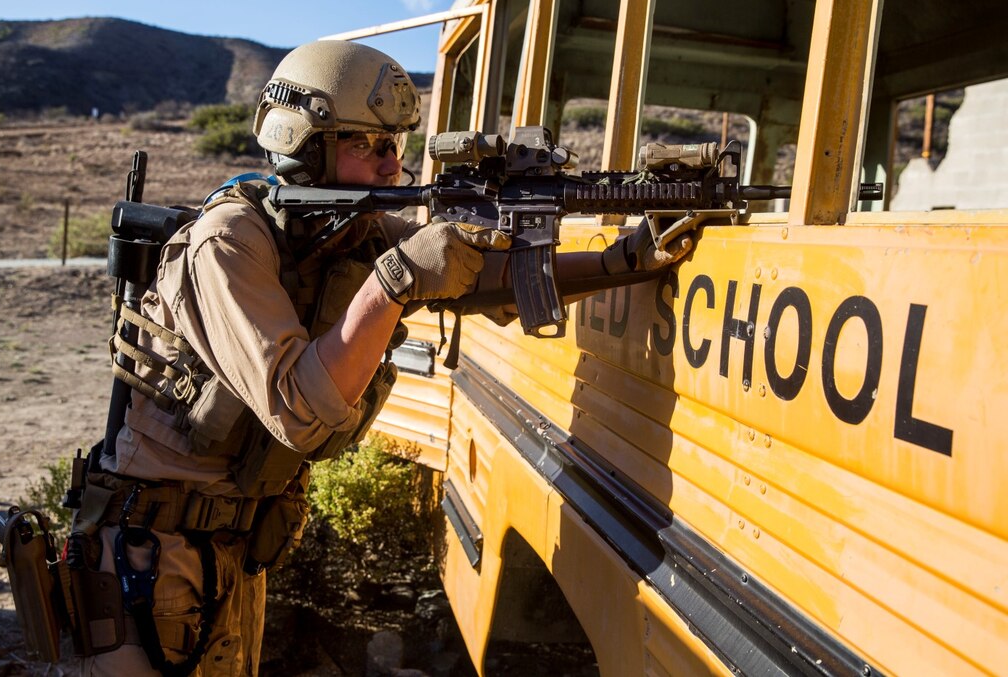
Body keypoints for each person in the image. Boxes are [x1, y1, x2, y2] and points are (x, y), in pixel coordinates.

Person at [67, 40, 692, 676]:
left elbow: (490, 278)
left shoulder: (350, 230)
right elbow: (298, 411)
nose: (392, 164)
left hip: (226, 550)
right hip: (146, 561)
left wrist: (624, 260)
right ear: (305, 141)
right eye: (366, 144)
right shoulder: (229, 241)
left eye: (394, 143)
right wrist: (392, 282)